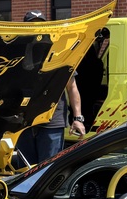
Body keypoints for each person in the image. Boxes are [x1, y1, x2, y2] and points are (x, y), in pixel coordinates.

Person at [18, 9, 85, 164]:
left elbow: (72, 87)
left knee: (48, 170)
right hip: (23, 121)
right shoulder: (17, 52)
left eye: (40, 25)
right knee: (24, 172)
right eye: (31, 25)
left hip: (52, 121)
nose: (36, 29)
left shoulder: (59, 52)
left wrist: (78, 118)